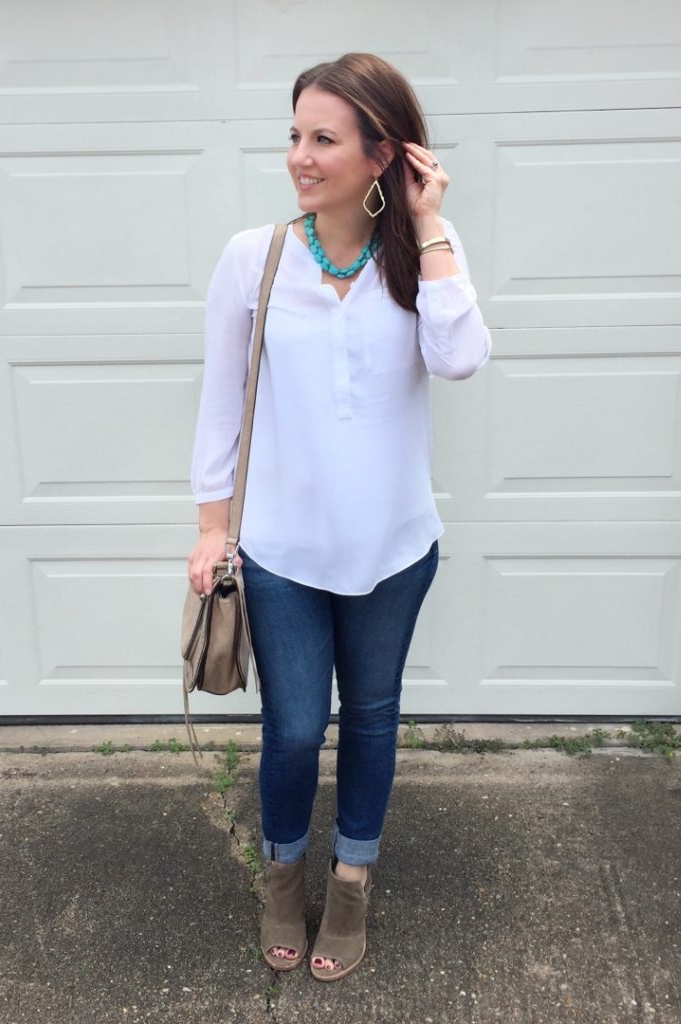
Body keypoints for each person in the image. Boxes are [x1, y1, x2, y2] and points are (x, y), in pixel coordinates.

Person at [187, 52, 491, 982]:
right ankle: (284, 878)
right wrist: (212, 528)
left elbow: (461, 358)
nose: (300, 157)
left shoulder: (421, 253)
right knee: (288, 728)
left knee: (370, 717)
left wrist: (430, 220)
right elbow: (220, 404)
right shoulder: (256, 257)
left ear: (381, 154)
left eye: (324, 139)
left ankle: (350, 884)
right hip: (281, 549)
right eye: (295, 136)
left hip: (395, 548)